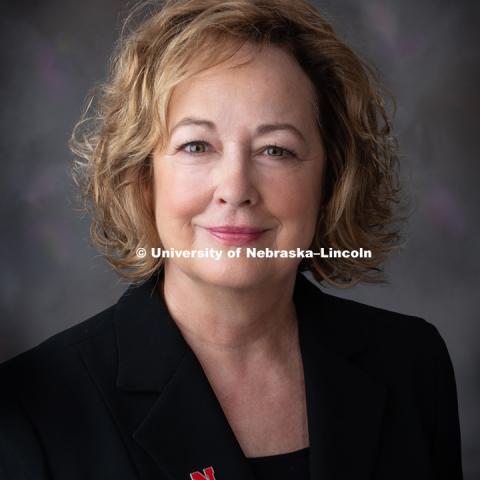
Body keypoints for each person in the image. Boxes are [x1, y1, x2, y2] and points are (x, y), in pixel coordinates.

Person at [0, 0, 463, 479]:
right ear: (143, 177)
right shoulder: (30, 410)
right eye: (196, 146)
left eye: (276, 149)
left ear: (332, 179)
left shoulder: (411, 363)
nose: (236, 188)